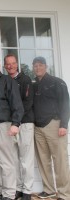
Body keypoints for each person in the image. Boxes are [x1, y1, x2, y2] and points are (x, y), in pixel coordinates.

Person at [0, 53, 24, 200]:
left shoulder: (7, 80)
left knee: (6, 162)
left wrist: (15, 124)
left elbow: (17, 104)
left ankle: (8, 195)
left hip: (3, 125)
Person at [32, 56, 70, 200]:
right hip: (38, 127)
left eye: (40, 65)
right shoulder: (34, 85)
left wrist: (63, 125)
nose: (38, 68)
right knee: (43, 161)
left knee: (59, 161)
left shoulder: (57, 82)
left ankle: (64, 194)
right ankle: (49, 191)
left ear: (46, 66)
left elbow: (65, 104)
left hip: (55, 125)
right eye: (35, 65)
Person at [4, 54, 34, 200]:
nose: (10, 66)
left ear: (17, 64)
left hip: (25, 123)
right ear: (4, 66)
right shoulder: (5, 80)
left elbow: (27, 103)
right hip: (10, 124)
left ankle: (27, 190)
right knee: (14, 159)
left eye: (13, 63)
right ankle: (17, 189)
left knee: (26, 159)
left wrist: (18, 121)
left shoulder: (25, 80)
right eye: (7, 64)